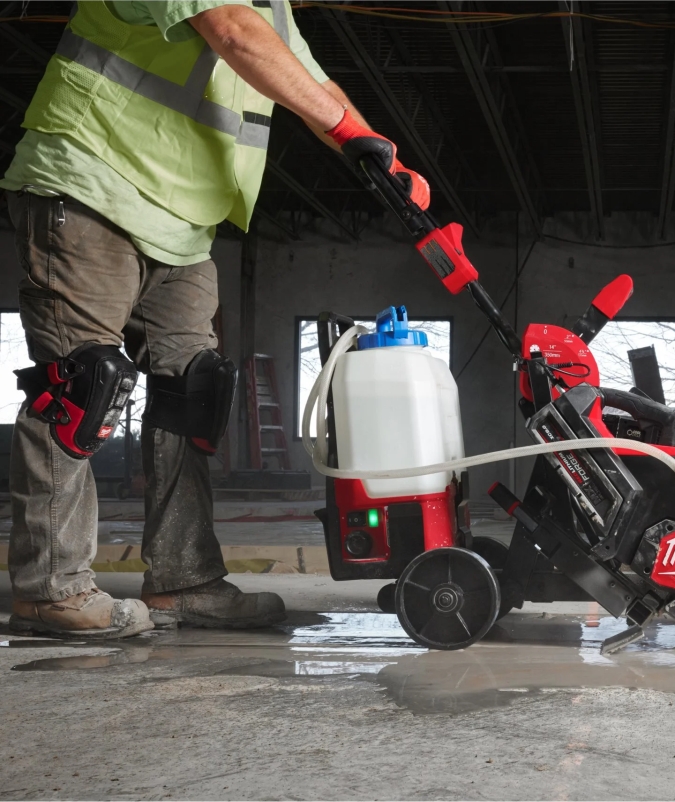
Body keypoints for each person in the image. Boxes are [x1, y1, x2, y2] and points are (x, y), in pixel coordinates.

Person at [1, 1, 429, 639]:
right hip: (92, 179)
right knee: (80, 387)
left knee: (193, 393)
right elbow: (232, 32)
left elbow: (312, 82)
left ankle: (183, 581)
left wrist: (384, 157)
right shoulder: (245, 14)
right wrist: (344, 130)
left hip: (183, 222)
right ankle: (50, 589)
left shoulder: (273, 8)